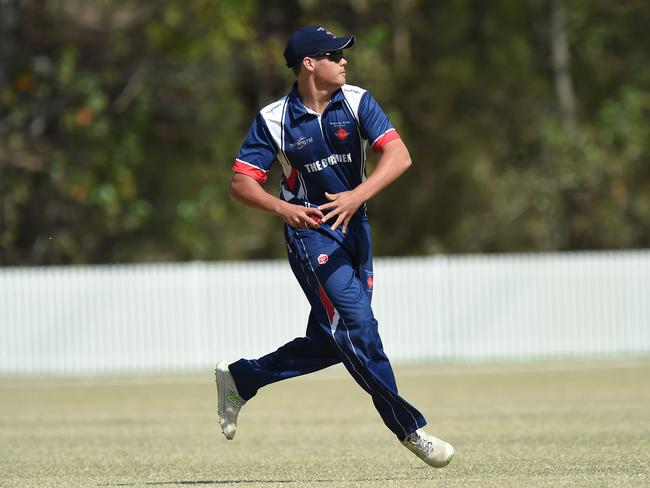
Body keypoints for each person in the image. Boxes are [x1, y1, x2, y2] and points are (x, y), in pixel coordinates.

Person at [215, 25, 454, 468]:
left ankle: (242, 378)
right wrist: (283, 210)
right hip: (310, 235)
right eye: (334, 55)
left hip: (357, 230)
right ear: (309, 64)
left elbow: (399, 155)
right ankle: (409, 429)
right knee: (359, 327)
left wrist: (357, 196)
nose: (344, 61)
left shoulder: (359, 101)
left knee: (333, 341)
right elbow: (240, 183)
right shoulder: (273, 119)